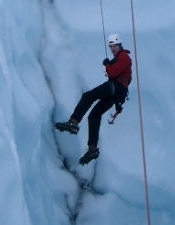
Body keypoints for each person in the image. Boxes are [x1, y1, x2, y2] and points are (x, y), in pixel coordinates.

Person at [55, 34, 132, 165]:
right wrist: (110, 65)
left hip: (116, 87)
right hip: (118, 93)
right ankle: (92, 148)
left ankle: (74, 122)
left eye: (115, 46)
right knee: (94, 116)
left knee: (88, 96)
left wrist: (107, 64)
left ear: (120, 45)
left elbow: (112, 73)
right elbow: (112, 73)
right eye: (111, 46)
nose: (113, 48)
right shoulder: (119, 59)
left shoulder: (124, 57)